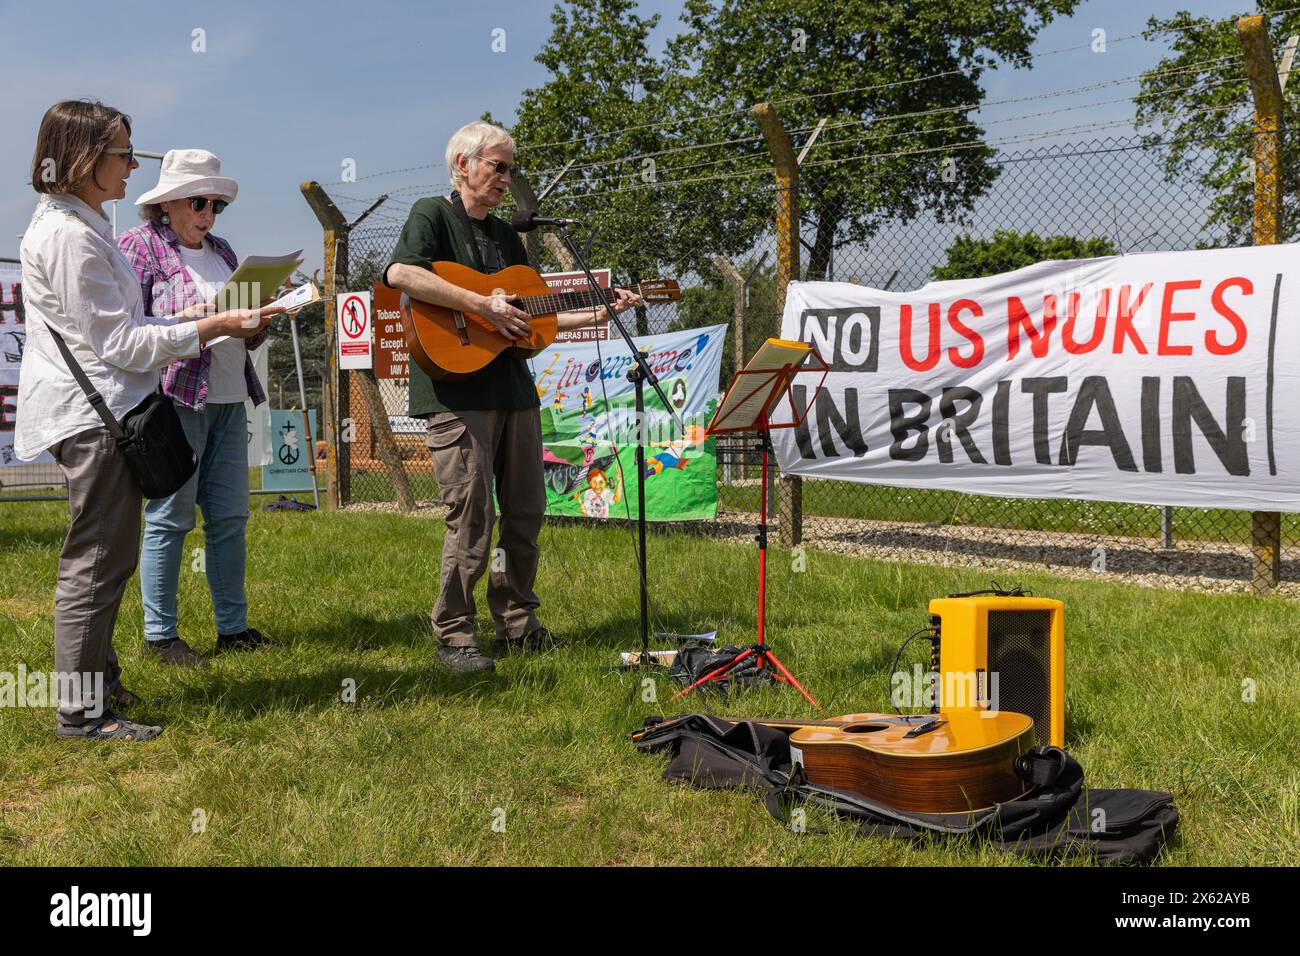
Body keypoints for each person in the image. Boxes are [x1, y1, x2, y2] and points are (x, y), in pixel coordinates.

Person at [14, 101, 281, 740]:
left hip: (105, 410)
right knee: (97, 561)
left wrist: (200, 323)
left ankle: (100, 687)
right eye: (124, 154)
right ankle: (81, 713)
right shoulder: (72, 238)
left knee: (111, 555)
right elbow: (123, 347)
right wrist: (211, 324)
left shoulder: (79, 225)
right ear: (83, 157)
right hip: (95, 416)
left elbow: (130, 332)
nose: (133, 167)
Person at [383, 120, 641, 672]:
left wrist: (598, 312)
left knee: (524, 512)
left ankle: (518, 622)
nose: (507, 177)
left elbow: (531, 313)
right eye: (498, 166)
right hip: (457, 392)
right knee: (470, 517)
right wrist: (481, 307)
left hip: (514, 393)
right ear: (463, 166)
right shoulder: (432, 214)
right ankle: (454, 634)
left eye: (510, 168)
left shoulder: (505, 237)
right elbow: (402, 272)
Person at [117, 149, 275, 667]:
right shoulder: (138, 247)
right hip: (175, 400)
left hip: (229, 398)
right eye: (198, 202)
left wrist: (260, 320)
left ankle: (233, 629)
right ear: (167, 205)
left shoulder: (224, 250)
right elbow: (125, 327)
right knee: (171, 516)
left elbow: (240, 332)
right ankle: (161, 636)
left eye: (215, 205)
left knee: (230, 517)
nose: (208, 213)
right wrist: (188, 315)